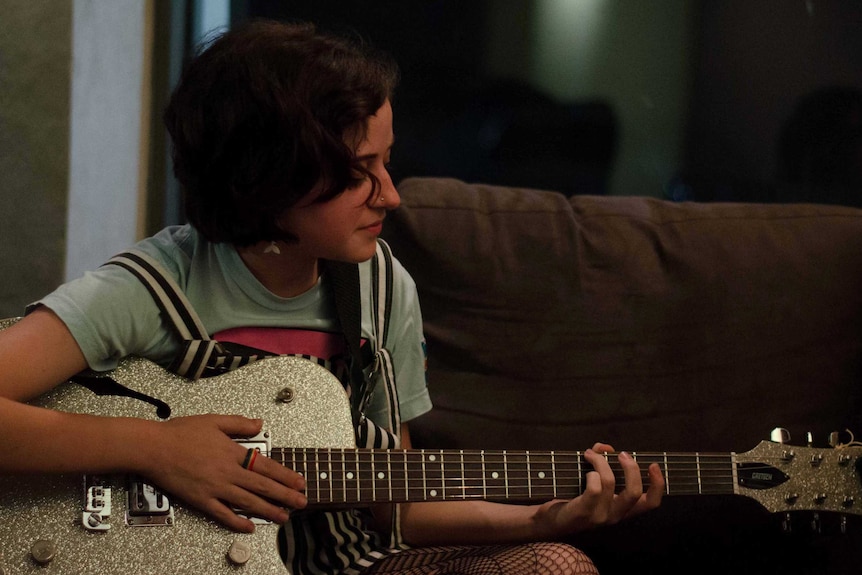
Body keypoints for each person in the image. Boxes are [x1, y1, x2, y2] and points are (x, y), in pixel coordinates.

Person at [0, 20, 663, 574]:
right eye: (358, 173)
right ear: (266, 177)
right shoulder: (152, 285)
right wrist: (154, 447)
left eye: (386, 160)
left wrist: (545, 516)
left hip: (347, 562)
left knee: (556, 564)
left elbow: (396, 501)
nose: (391, 194)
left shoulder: (380, 287)